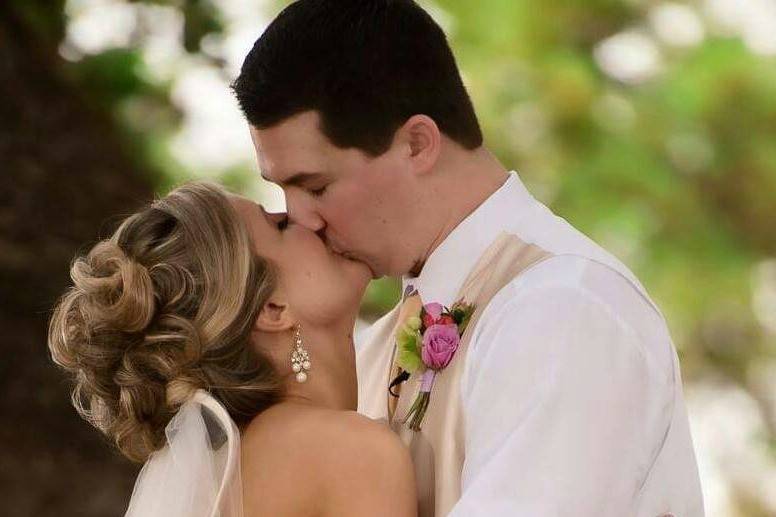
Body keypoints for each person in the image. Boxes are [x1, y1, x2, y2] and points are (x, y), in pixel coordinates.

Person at [231, 0, 705, 515]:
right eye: (283, 192)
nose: (302, 220)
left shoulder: (563, 310)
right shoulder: (371, 350)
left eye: (316, 186)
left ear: (416, 144)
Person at [47, 181, 418, 516]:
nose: (311, 219)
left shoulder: (242, 467)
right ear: (273, 309)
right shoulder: (348, 450)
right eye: (281, 226)